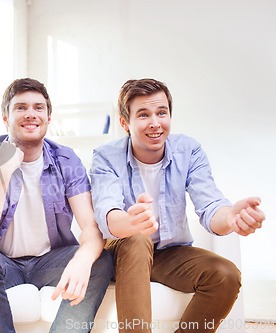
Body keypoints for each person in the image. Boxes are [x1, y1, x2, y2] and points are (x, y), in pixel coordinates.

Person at [90, 78, 266, 333]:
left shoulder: (189, 150)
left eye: (161, 113)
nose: (155, 122)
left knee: (225, 275)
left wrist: (230, 218)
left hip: (169, 253)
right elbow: (108, 211)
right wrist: (130, 222)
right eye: (143, 114)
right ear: (124, 123)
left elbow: (210, 204)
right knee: (138, 239)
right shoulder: (106, 156)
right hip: (122, 250)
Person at [0, 78, 113, 333]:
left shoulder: (67, 160)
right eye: (20, 107)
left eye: (38, 108)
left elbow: (90, 225)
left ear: (48, 117)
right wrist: (3, 172)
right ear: (5, 118)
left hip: (50, 262)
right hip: (2, 263)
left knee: (101, 259)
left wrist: (84, 257)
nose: (30, 114)